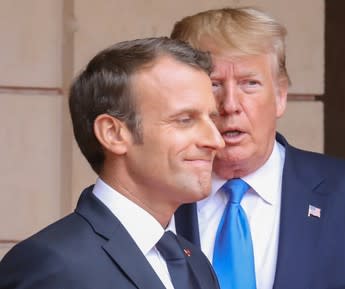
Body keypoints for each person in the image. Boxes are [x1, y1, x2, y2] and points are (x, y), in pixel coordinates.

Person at [171, 7, 345, 289]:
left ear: (280, 96)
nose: (230, 105)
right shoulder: (150, 195)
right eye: (213, 85)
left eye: (250, 84)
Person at [0, 37, 224, 289]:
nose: (215, 141)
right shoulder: (51, 264)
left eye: (211, 119)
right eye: (185, 119)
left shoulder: (196, 264)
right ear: (113, 134)